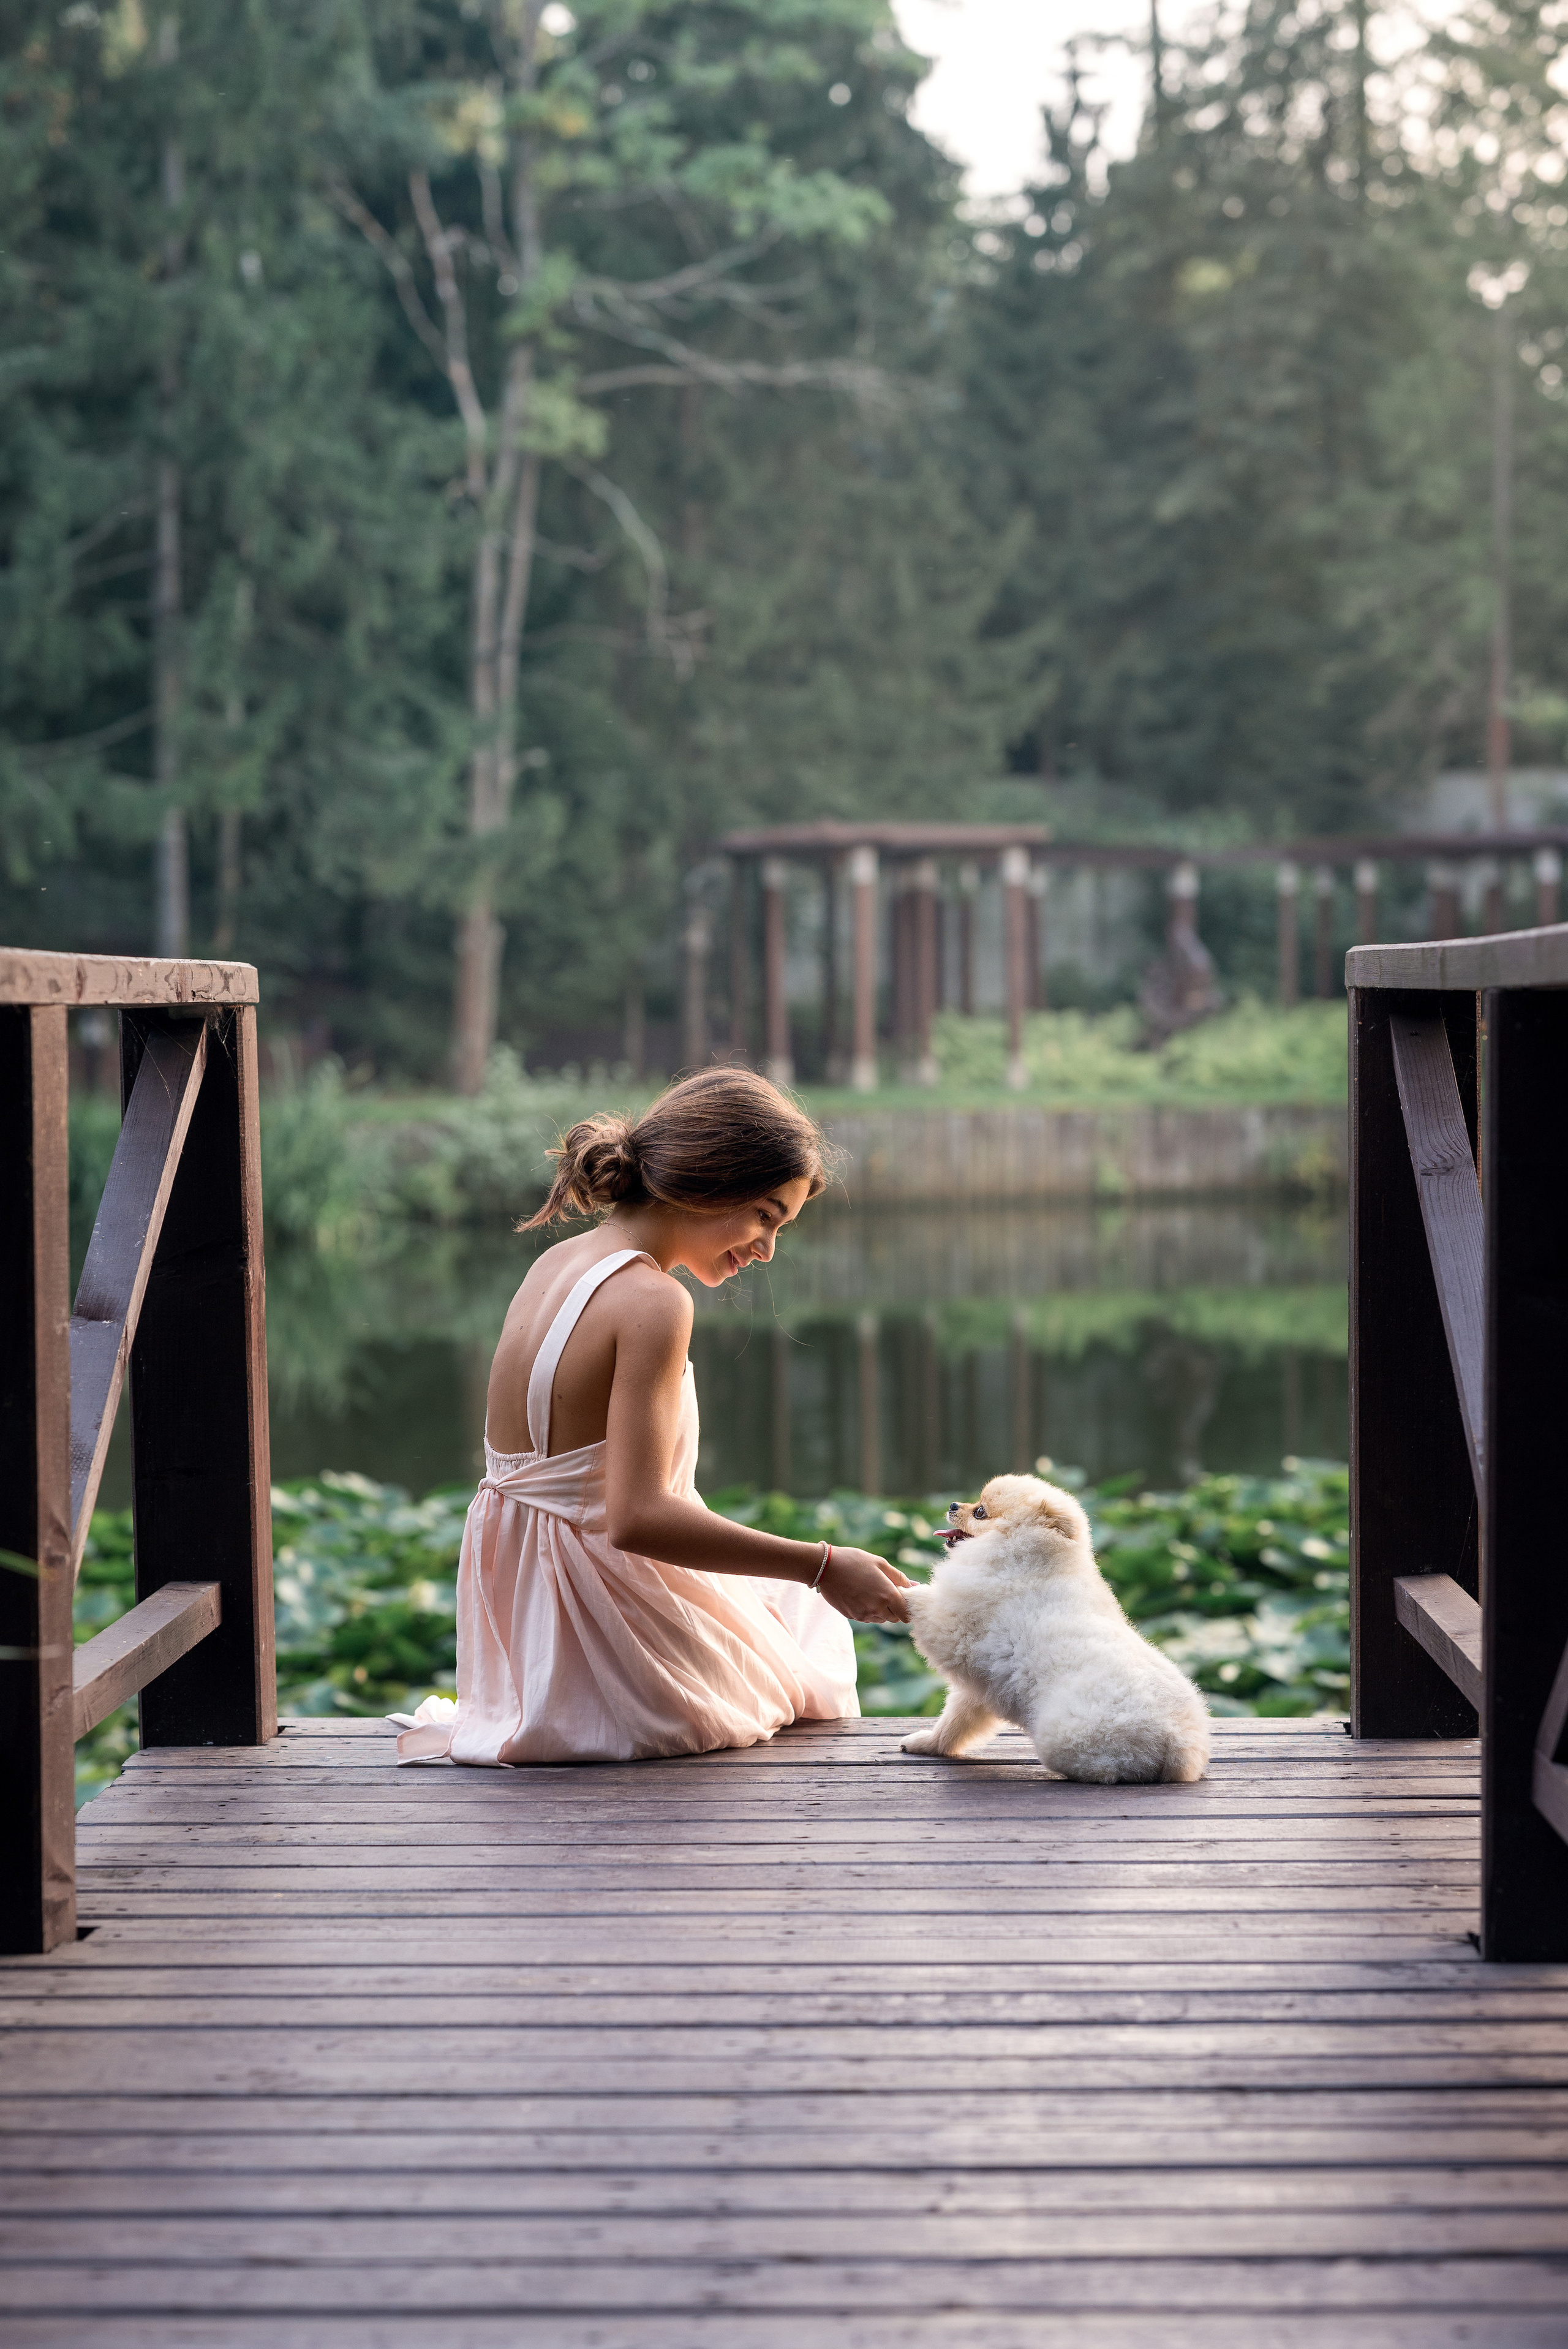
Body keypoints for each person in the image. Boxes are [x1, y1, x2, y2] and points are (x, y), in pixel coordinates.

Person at [394, 1066, 912, 1766]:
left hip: (527, 1611)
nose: (766, 1249)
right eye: (765, 1215)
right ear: (712, 1177)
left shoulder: (555, 1263)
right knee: (810, 1641)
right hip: (594, 1622)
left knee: (790, 1618)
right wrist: (822, 1565)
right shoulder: (653, 1300)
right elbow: (636, 1517)